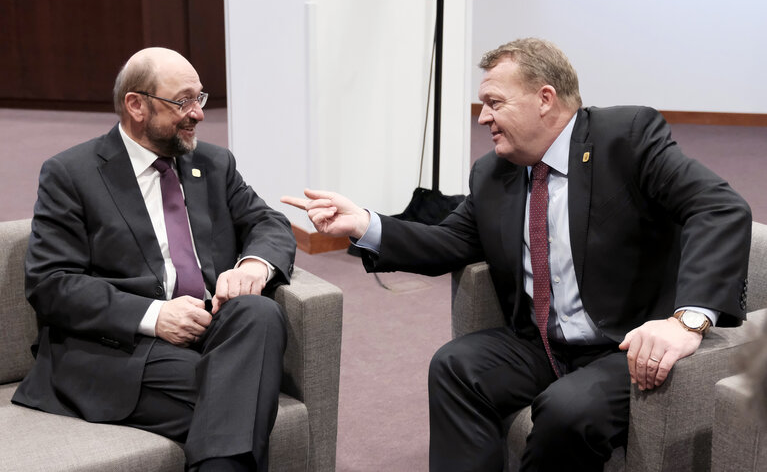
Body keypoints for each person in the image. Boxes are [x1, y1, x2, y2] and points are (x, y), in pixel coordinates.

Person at [282, 38, 752, 471]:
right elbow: (450, 242)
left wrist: (686, 321)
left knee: (568, 410)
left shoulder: (623, 137)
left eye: (494, 102)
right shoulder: (494, 172)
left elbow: (719, 207)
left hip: (625, 342)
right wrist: (365, 225)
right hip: (543, 342)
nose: (482, 117)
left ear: (545, 99)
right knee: (456, 366)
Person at [12, 47, 296, 471]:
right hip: (123, 345)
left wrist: (254, 265)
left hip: (208, 327)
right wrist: (154, 315)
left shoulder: (213, 164)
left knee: (260, 312)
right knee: (241, 392)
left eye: (200, 98)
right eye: (183, 101)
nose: (198, 113)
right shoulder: (71, 174)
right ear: (136, 105)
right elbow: (52, 283)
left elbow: (268, 222)